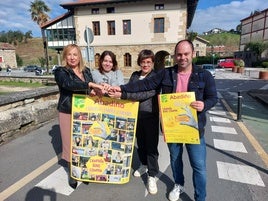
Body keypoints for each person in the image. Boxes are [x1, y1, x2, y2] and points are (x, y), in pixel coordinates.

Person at [108, 40, 218, 201]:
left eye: (186, 54)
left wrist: (204, 104)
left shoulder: (204, 75)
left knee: (199, 166)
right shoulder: (166, 73)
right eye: (179, 54)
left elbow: (213, 97)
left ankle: (200, 198)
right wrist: (121, 89)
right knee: (175, 160)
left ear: (192, 54)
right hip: (172, 126)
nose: (182, 58)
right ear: (174, 56)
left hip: (194, 128)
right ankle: (178, 185)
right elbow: (144, 84)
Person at [109, 49, 160, 194]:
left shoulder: (155, 77)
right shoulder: (135, 75)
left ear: (152, 63)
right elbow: (130, 89)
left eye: (148, 62)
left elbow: (147, 93)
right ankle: (144, 165)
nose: (145, 65)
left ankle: (152, 175)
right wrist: (124, 94)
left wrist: (124, 95)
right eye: (143, 62)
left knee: (151, 147)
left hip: (150, 115)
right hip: (135, 115)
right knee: (141, 143)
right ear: (139, 62)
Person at [54, 44, 103, 189]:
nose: (72, 57)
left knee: (84, 143)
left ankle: (83, 170)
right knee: (70, 143)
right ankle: (73, 173)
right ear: (65, 57)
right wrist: (90, 85)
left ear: (79, 56)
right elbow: (69, 84)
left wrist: (93, 91)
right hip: (68, 111)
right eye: (69, 54)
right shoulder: (60, 71)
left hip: (85, 112)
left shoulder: (86, 71)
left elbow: (88, 89)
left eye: (75, 54)